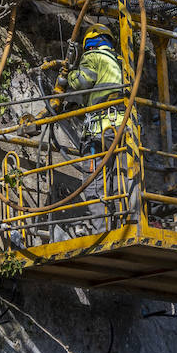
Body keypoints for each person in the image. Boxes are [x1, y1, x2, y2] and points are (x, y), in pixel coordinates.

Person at [61, 24, 130, 231]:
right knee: (122, 182)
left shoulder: (93, 56)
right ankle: (125, 226)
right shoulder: (121, 63)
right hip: (124, 129)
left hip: (101, 130)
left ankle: (103, 230)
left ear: (89, 43)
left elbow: (83, 81)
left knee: (95, 182)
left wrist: (69, 75)